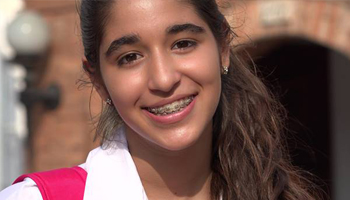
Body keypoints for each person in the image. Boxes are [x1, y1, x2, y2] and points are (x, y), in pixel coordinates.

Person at [0, 0, 322, 199]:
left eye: (182, 43)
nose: (164, 79)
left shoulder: (276, 192)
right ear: (98, 79)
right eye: (130, 57)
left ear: (223, 46)